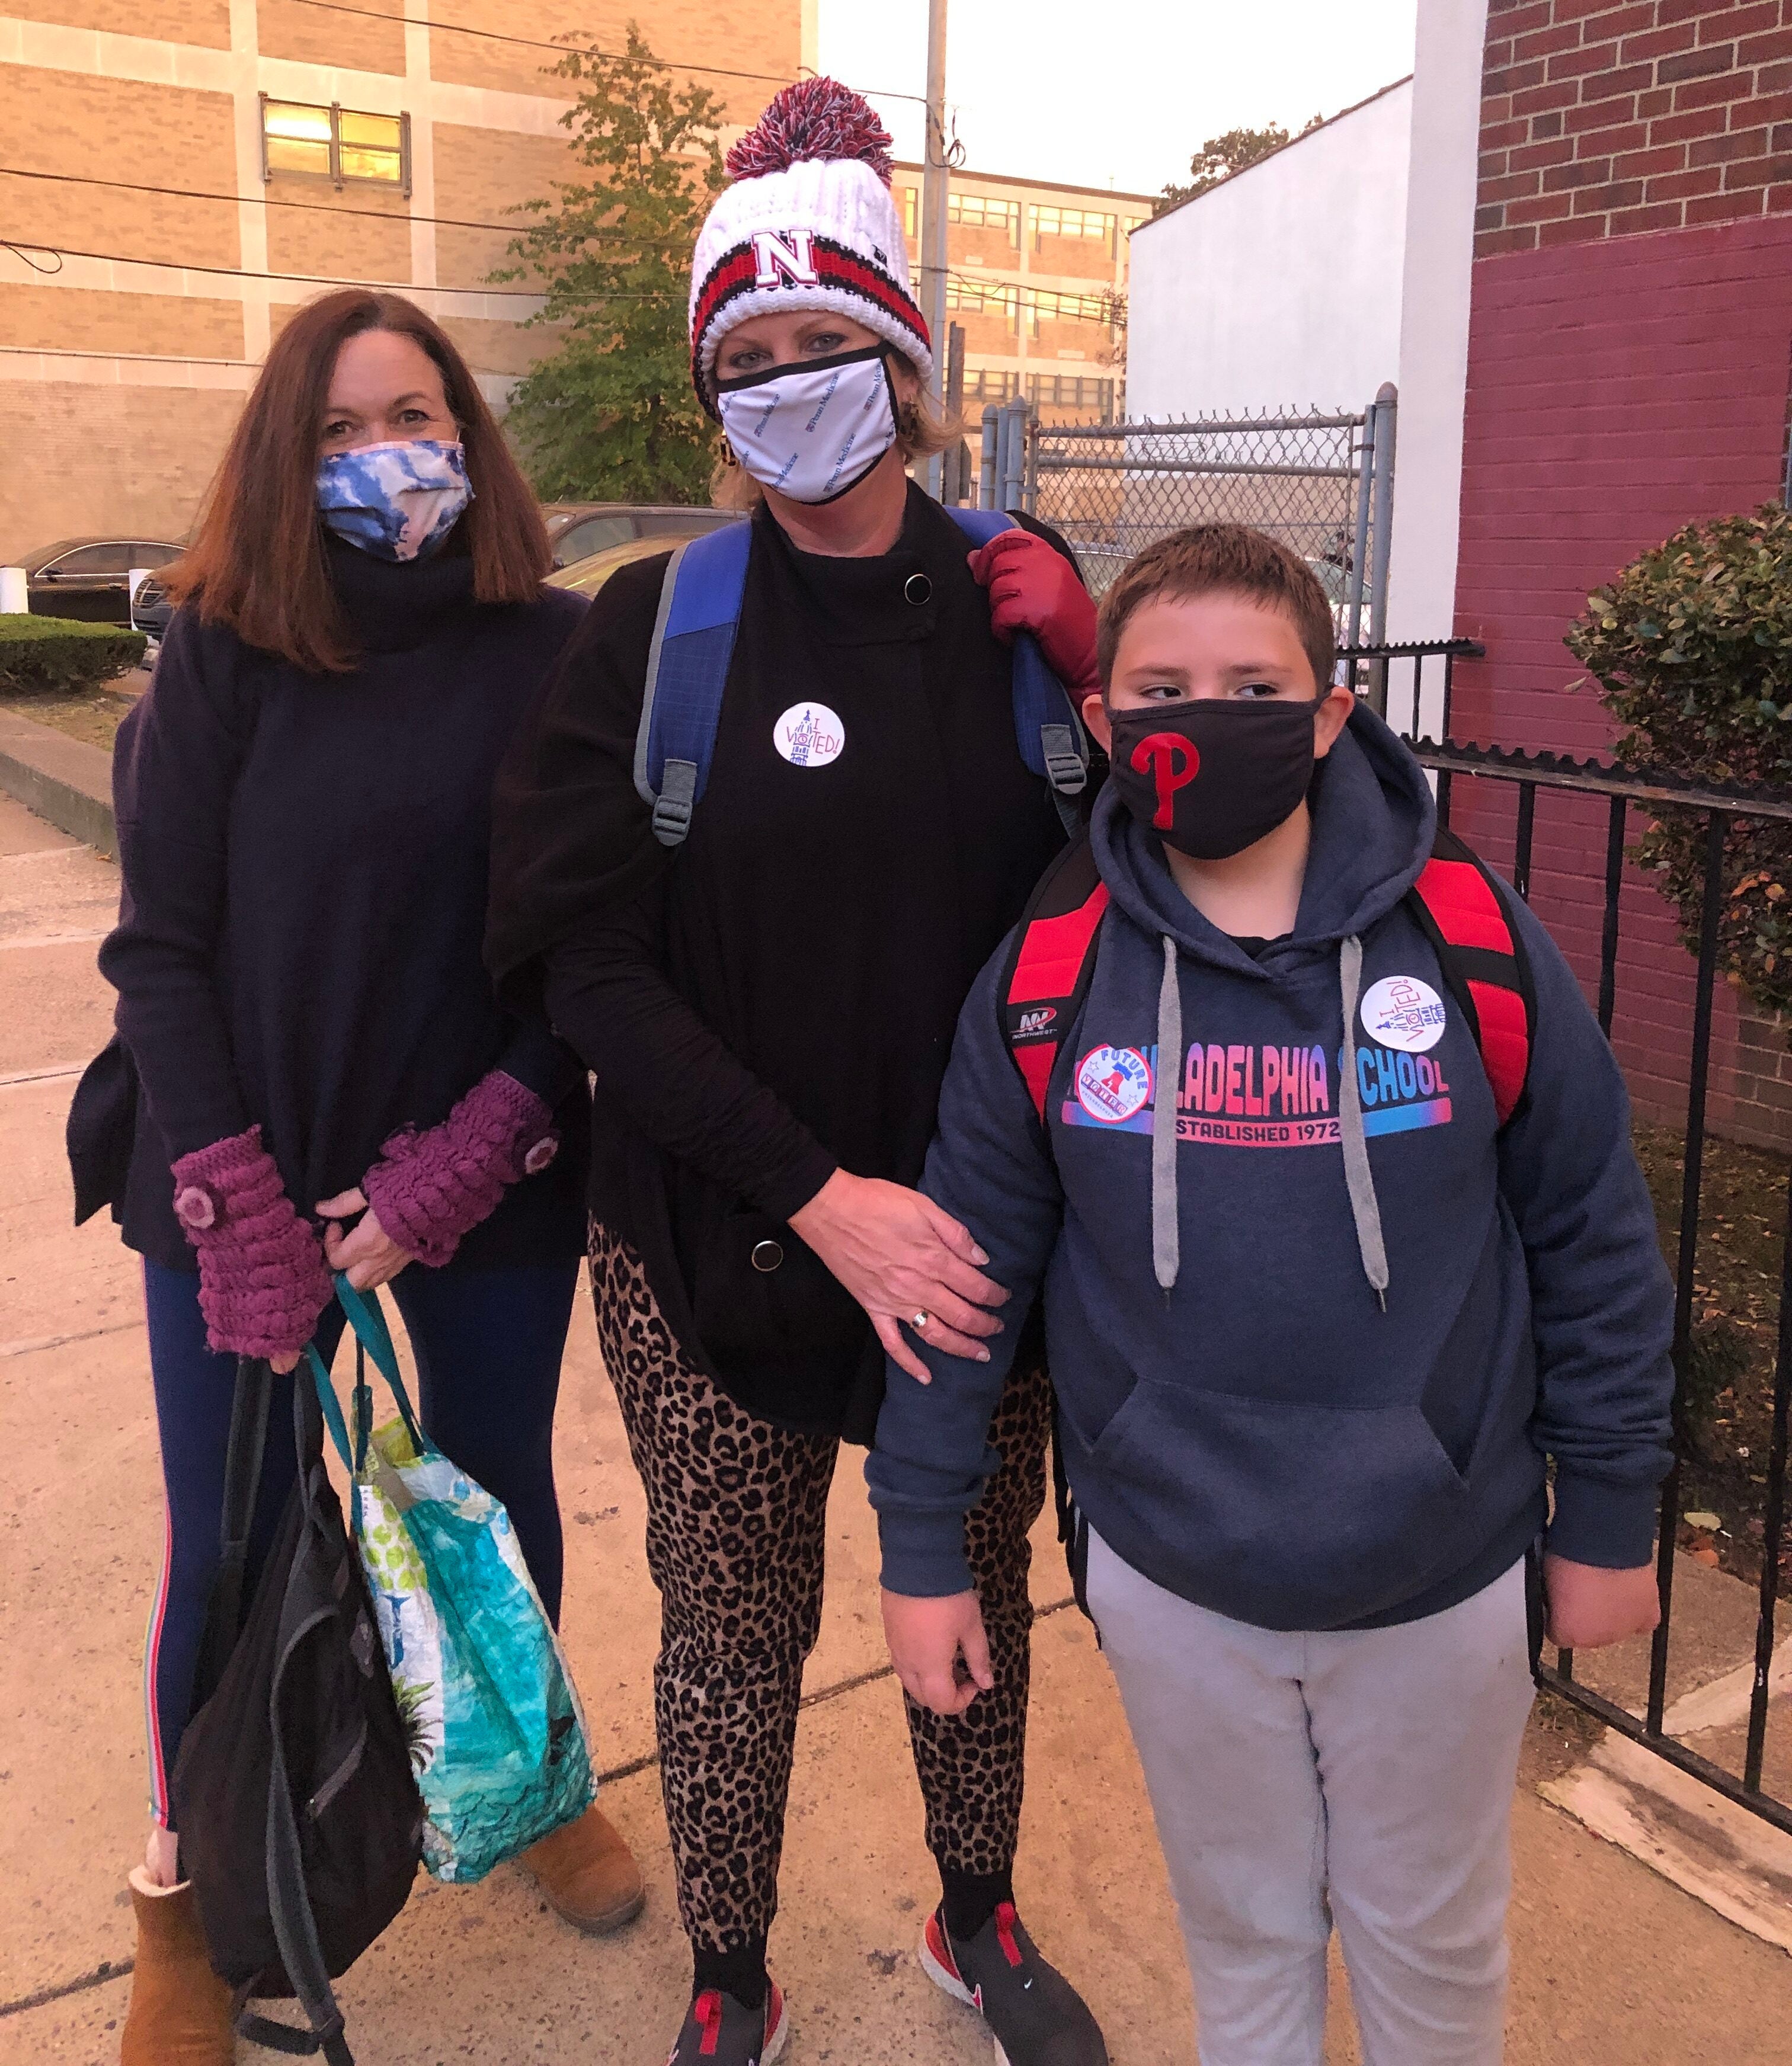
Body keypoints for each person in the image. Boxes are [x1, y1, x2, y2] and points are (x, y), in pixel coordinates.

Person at [868, 525, 1678, 2065]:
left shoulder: (1472, 938)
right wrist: (922, 1544)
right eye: (1163, 687)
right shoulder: (1051, 966)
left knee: (1432, 1949)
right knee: (1243, 1944)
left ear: (1328, 713)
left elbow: (1591, 1231)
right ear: (1103, 721)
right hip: (1178, 1583)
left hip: (1439, 1576)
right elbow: (961, 1276)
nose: (1205, 717)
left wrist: (1612, 1514)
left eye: (1253, 685)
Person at [487, 78, 1110, 2066]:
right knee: (738, 1629)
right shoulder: (652, 629)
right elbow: (588, 963)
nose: (786, 387)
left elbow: (1163, 895)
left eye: (825, 344)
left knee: (970, 1614)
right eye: (743, 362)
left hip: (973, 1253)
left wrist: (1111, 692)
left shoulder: (1022, 612)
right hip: (711, 1237)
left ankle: (975, 1913)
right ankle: (732, 1966)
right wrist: (816, 1196)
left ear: (905, 359)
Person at [68, 289, 643, 2066]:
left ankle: (528, 1786)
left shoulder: (554, 651)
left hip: (481, 1180)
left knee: (489, 1507)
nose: (381, 452)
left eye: (410, 413)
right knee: (230, 1553)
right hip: (231, 1184)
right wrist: (238, 1207)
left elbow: (595, 941)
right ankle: (191, 1902)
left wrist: (465, 1161)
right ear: (279, 459)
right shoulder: (222, 659)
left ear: (467, 433)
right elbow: (158, 954)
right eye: (333, 429)